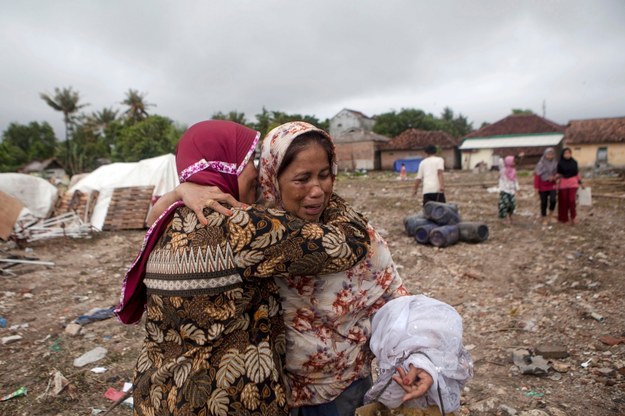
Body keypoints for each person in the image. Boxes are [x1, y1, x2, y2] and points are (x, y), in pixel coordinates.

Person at [164, 122, 472, 416]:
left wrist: (421, 358)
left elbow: (395, 300)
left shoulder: (356, 236)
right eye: (302, 179)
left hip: (341, 393)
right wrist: (182, 191)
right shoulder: (246, 232)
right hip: (269, 396)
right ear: (271, 179)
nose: (317, 190)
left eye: (324, 175)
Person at [115, 120, 372, 416]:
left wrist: (180, 190)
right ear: (222, 167)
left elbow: (152, 215)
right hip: (223, 402)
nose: (257, 170)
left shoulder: (166, 223)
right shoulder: (240, 227)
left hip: (158, 397)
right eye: (248, 160)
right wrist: (323, 188)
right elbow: (349, 244)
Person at [556, 147, 583, 224]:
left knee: (571, 200)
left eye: (569, 153)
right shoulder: (560, 163)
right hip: (563, 184)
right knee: (564, 201)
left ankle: (573, 217)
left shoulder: (574, 162)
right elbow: (558, 174)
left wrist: (581, 182)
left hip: (573, 183)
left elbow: (577, 173)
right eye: (565, 153)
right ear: (563, 154)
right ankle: (564, 218)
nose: (567, 155)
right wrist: (556, 182)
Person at [534, 147, 558, 225]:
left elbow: (558, 174)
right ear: (545, 155)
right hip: (543, 185)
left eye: (551, 154)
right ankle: (544, 217)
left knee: (553, 200)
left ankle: (550, 215)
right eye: (548, 154)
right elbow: (537, 176)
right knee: (544, 202)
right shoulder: (540, 164)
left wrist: (555, 177)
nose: (550, 156)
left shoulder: (555, 163)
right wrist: (536, 188)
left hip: (552, 184)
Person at [498, 155, 520, 223]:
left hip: (511, 191)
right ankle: (506, 218)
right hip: (504, 190)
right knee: (506, 204)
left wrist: (517, 189)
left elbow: (515, 180)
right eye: (513, 161)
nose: (514, 163)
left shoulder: (513, 171)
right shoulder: (503, 171)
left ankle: (510, 215)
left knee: (512, 205)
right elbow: (500, 161)